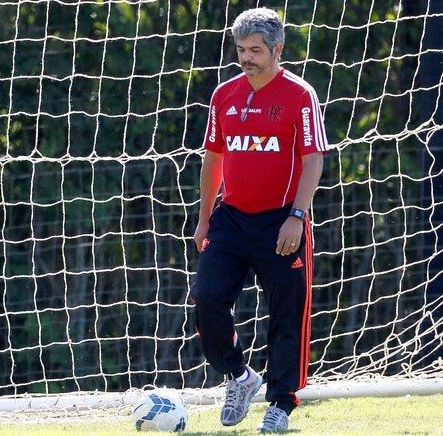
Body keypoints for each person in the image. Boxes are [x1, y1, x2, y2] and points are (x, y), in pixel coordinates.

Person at [191, 7, 329, 433]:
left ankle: (281, 405)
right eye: (241, 49)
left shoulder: (300, 95)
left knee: (286, 315)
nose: (246, 57)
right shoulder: (224, 96)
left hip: (281, 223)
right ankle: (238, 375)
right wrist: (204, 217)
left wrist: (297, 216)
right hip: (230, 220)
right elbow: (213, 157)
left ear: (277, 50)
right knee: (207, 300)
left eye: (255, 50)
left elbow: (313, 161)